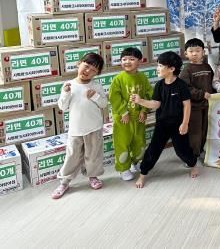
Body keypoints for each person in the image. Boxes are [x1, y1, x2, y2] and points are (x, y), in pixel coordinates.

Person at [132, 52, 199, 188]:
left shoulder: (181, 85)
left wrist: (185, 123)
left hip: (178, 124)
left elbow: (187, 105)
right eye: (157, 65)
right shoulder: (159, 85)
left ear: (172, 69)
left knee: (182, 150)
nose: (157, 68)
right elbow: (156, 104)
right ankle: (143, 174)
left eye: (160, 66)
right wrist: (140, 101)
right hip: (162, 124)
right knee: (153, 150)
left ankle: (193, 165)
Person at [51, 53, 107, 199]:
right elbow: (63, 107)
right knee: (72, 156)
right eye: (86, 66)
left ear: (97, 74)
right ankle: (64, 182)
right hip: (75, 129)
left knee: (93, 155)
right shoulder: (69, 85)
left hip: (94, 128)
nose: (88, 71)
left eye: (93, 70)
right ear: (78, 64)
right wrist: (65, 93)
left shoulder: (96, 86)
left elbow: (104, 104)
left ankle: (93, 176)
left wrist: (95, 96)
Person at [109, 47, 153, 181]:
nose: (127, 62)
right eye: (124, 59)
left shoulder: (142, 77)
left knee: (139, 142)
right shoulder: (118, 79)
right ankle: (123, 168)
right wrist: (123, 112)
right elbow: (114, 97)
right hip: (123, 118)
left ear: (139, 61)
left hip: (138, 117)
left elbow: (148, 94)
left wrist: (144, 110)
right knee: (122, 143)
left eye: (132, 59)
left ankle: (136, 162)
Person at [179, 38, 214, 159]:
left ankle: (200, 150)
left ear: (203, 52)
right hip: (194, 107)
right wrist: (201, 94)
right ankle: (192, 154)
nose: (194, 54)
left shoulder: (207, 66)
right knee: (195, 131)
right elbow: (185, 88)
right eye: (191, 51)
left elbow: (213, 83)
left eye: (198, 51)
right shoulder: (187, 69)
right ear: (186, 53)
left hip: (207, 105)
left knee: (205, 130)